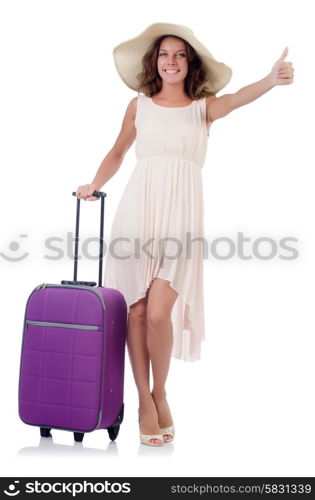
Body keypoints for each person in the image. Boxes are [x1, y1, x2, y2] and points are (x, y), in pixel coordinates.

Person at [75, 23, 294, 447]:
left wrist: (270, 79)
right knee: (135, 313)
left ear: (189, 63)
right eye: (164, 55)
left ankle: (161, 391)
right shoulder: (138, 105)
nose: (171, 61)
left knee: (158, 313)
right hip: (136, 212)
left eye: (179, 55)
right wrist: (93, 183)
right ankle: (143, 399)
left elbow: (236, 99)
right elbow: (118, 151)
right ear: (154, 62)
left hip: (182, 218)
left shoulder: (203, 108)